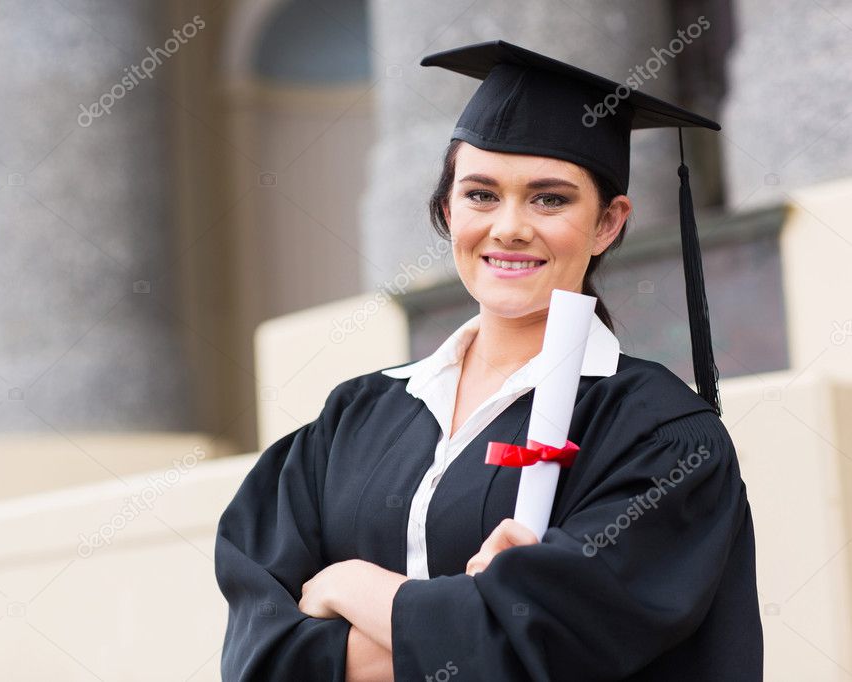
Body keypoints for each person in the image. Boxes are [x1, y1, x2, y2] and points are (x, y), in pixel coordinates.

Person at [214, 40, 763, 681]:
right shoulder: (353, 419)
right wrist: (469, 624)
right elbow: (261, 656)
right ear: (448, 210)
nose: (509, 227)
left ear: (608, 223)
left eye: (549, 199)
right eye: (481, 194)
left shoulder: (659, 435)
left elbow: (542, 649)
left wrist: (349, 584)